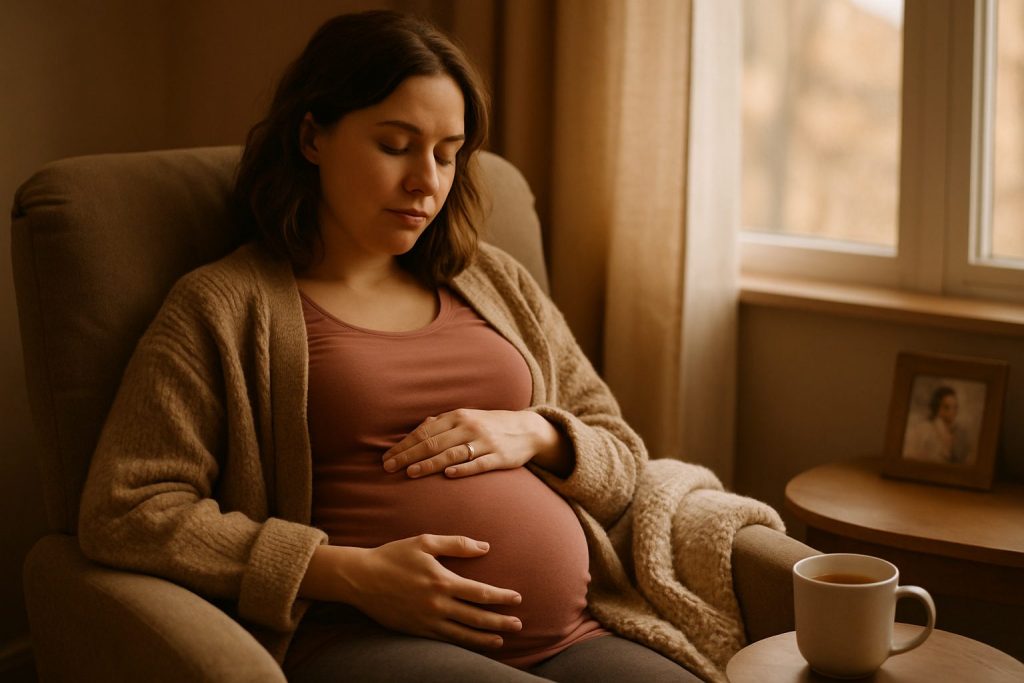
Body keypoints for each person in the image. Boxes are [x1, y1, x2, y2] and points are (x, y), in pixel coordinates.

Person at [77, 10, 701, 683]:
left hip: (575, 636)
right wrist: (347, 572)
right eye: (396, 145)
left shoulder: (494, 280)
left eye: (446, 153)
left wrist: (537, 433)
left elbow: (621, 456)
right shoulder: (225, 306)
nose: (425, 181)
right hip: (359, 635)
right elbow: (126, 508)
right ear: (312, 137)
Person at [903, 385, 973, 464]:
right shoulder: (923, 430)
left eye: (955, 407)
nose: (953, 411)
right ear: (937, 408)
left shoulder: (960, 432)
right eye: (947, 407)